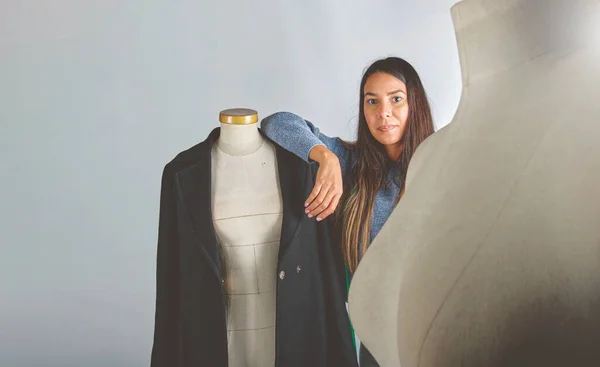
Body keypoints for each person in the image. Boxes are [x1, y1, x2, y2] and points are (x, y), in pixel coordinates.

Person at [260, 56, 435, 366]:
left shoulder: (440, 164)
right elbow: (276, 123)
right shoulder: (350, 162)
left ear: (415, 104)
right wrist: (324, 157)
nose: (384, 113)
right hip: (373, 334)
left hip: (432, 327)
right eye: (372, 102)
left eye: (396, 99)